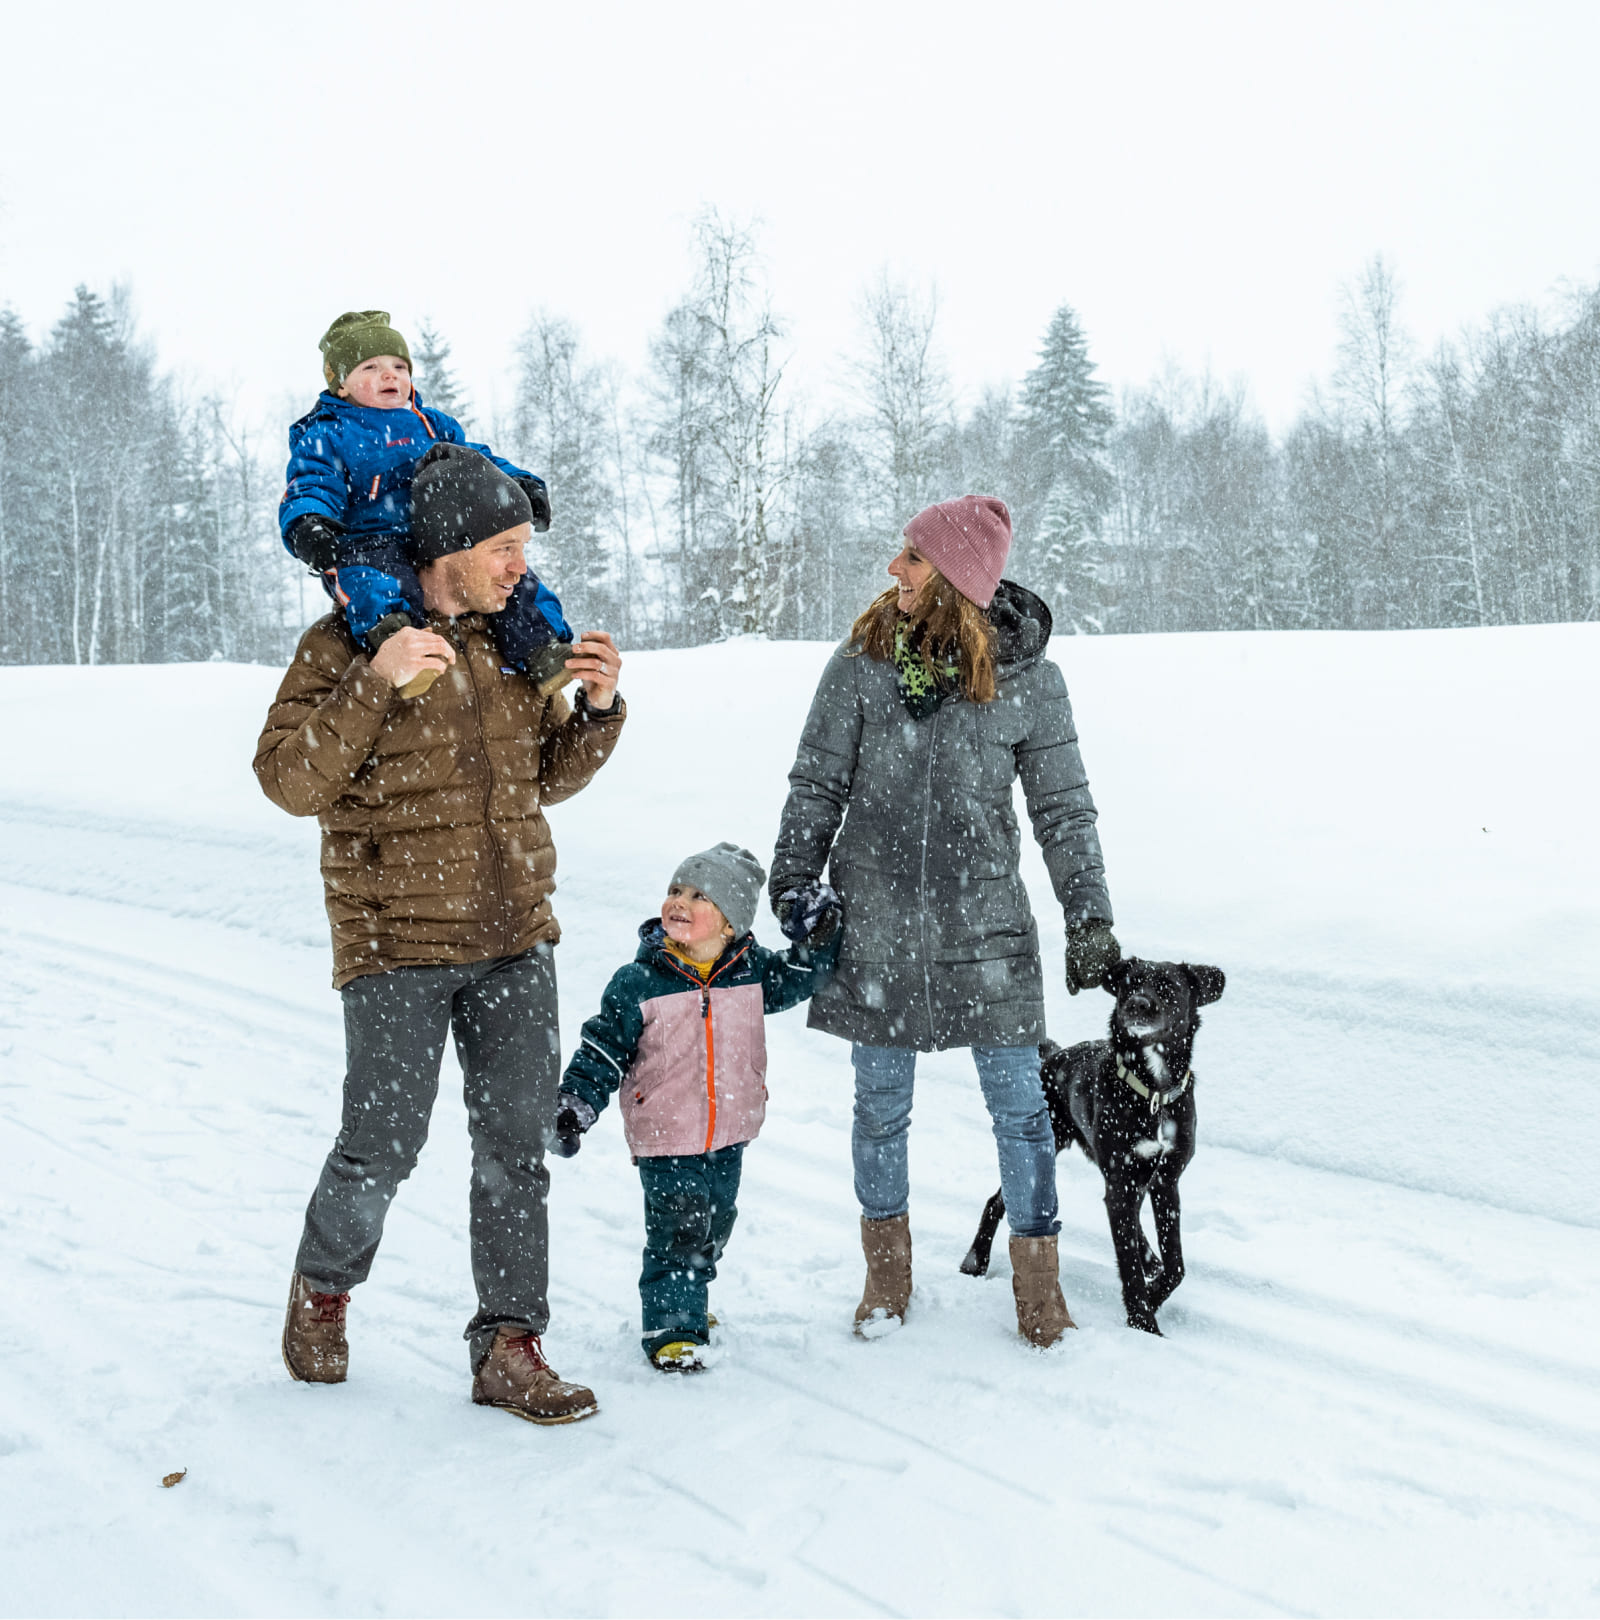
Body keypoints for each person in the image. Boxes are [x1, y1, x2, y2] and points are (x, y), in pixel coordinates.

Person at [255, 443, 626, 1423]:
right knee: (382, 1144)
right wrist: (375, 682)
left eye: (521, 547)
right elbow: (288, 781)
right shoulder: (343, 645)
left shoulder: (509, 644)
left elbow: (542, 778)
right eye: (503, 547)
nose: (519, 566)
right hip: (396, 943)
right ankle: (323, 1294)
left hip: (515, 938)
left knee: (516, 1150)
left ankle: (509, 1346)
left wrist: (595, 708)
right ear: (451, 546)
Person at [769, 495, 1120, 1349]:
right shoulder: (860, 663)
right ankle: (885, 1278)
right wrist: (792, 883)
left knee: (1022, 1112)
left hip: (986, 928)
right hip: (878, 924)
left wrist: (1090, 919)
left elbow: (1064, 811)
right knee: (880, 1109)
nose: (896, 569)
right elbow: (817, 784)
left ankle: (1040, 1289)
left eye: (915, 560)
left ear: (960, 581)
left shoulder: (1027, 679)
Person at [553, 844, 841, 1371]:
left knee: (715, 1224)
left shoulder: (750, 973)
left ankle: (690, 1297)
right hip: (666, 1132)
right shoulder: (638, 982)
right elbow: (601, 1049)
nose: (678, 902)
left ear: (729, 924)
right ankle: (672, 1328)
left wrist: (821, 932)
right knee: (678, 1230)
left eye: (698, 895)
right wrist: (576, 1102)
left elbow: (803, 974)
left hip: (729, 1130)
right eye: (675, 890)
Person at [279, 309, 573, 698]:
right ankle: (400, 646)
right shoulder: (327, 435)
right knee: (376, 584)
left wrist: (518, 484)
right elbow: (312, 483)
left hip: (440, 538)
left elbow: (476, 460)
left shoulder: (431, 424)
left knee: (508, 575)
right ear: (341, 385)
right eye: (371, 367)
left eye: (399, 366)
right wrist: (309, 523)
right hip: (369, 541)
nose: (390, 375)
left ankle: (543, 649)